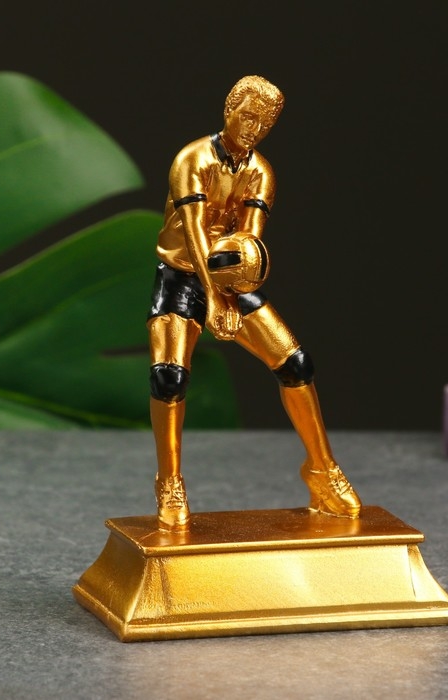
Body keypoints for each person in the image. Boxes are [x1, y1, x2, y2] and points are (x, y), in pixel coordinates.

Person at [147, 75, 361, 531]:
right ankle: (170, 481)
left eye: (265, 123)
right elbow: (193, 232)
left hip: (228, 277)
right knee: (169, 377)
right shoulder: (192, 159)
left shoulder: (261, 171)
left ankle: (322, 468)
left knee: (296, 364)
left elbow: (249, 242)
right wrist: (211, 298)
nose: (254, 128)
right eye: (248, 116)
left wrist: (235, 287)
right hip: (182, 276)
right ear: (229, 110)